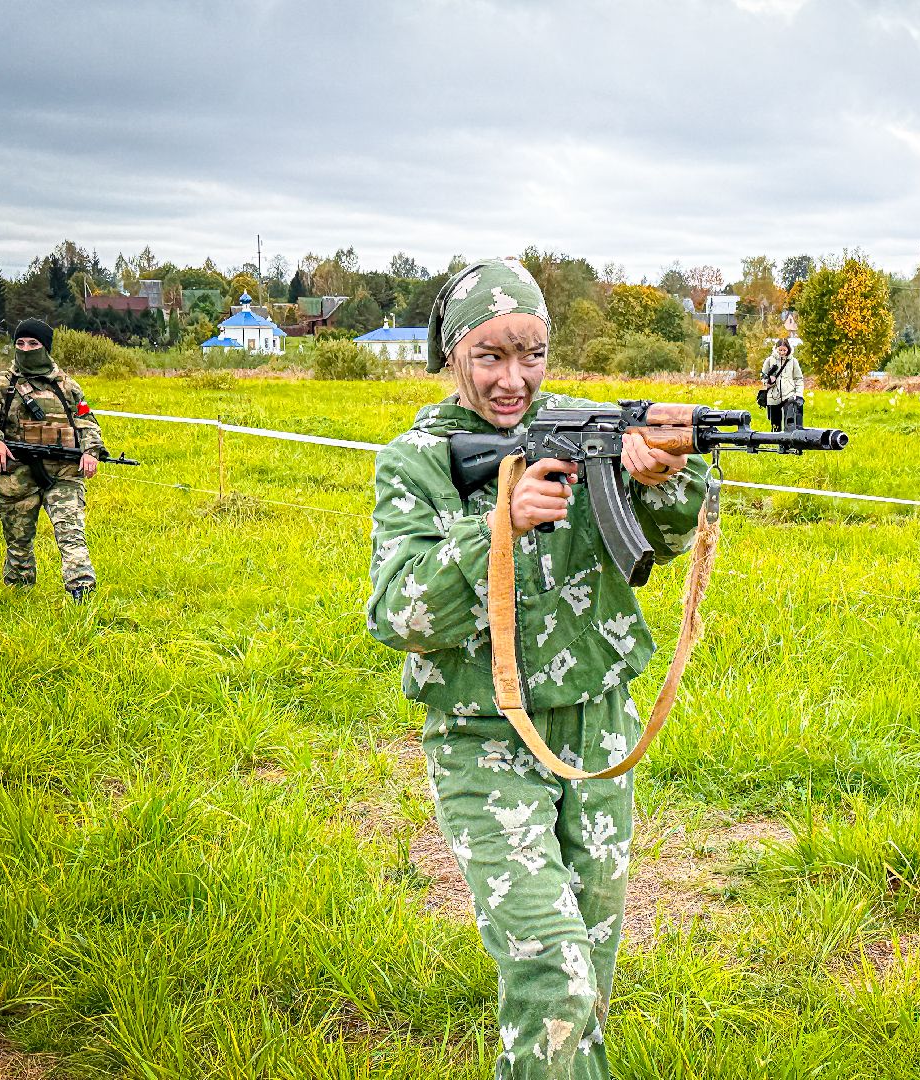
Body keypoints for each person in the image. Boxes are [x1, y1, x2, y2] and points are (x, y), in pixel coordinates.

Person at [366, 259, 707, 1079]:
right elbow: (398, 616)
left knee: (590, 965)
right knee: (551, 973)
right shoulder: (419, 461)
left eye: (533, 353)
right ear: (451, 356)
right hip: (483, 741)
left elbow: (663, 544)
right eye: (489, 355)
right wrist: (500, 529)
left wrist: (663, 479)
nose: (513, 378)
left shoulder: (589, 427)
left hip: (597, 728)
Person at [0, 318, 105, 598]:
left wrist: (91, 451)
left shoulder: (67, 387)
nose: (25, 349)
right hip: (16, 475)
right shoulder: (1, 384)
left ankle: (81, 592)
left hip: (63, 474)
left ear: (45, 347)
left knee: (71, 533)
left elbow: (87, 423)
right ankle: (19, 595)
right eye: (20, 343)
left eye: (33, 343)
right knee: (18, 540)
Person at [760, 336, 804, 432]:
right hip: (773, 396)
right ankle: (777, 444)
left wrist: (799, 394)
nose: (782, 352)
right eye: (780, 350)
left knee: (789, 422)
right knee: (775, 425)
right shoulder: (769, 360)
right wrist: (769, 381)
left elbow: (799, 379)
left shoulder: (793, 361)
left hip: (789, 395)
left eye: (784, 350)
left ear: (788, 350)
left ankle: (787, 444)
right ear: (776, 349)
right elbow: (762, 377)